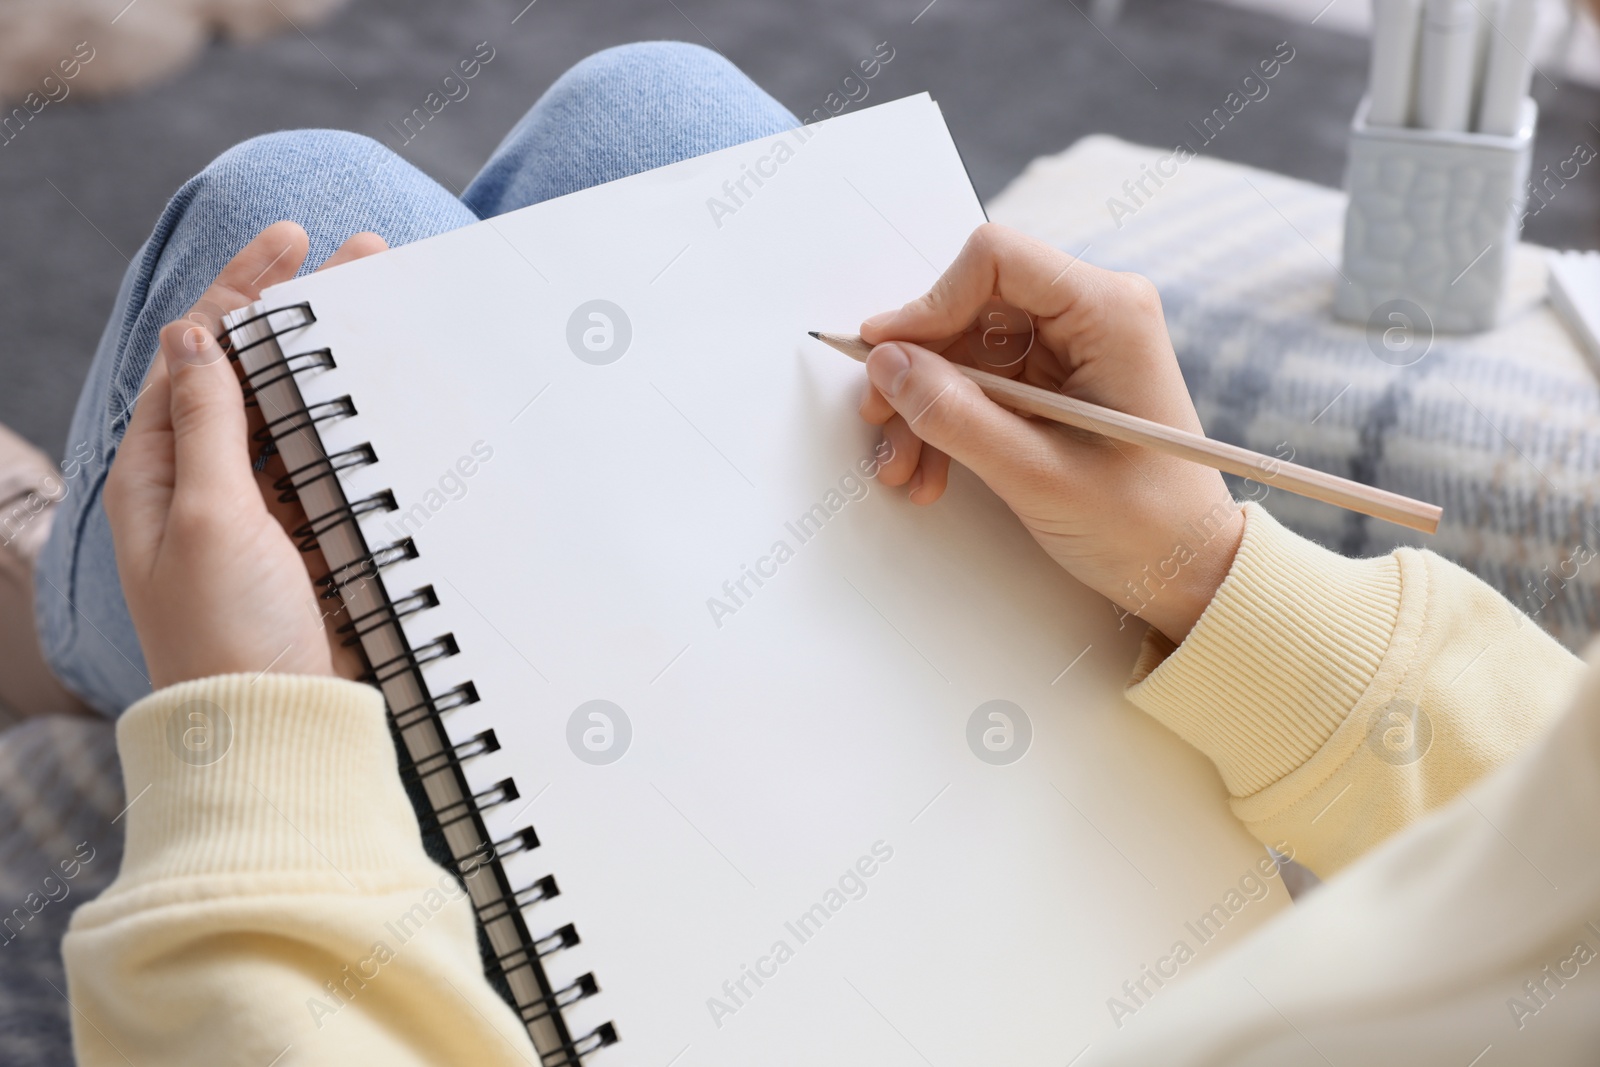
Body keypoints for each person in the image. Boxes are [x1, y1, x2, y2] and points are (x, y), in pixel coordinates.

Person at [27, 40, 1598, 1067]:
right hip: (1131, 954)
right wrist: (1207, 573)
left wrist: (247, 733)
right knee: (660, 115)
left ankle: (61, 624)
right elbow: (1552, 846)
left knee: (308, 208)